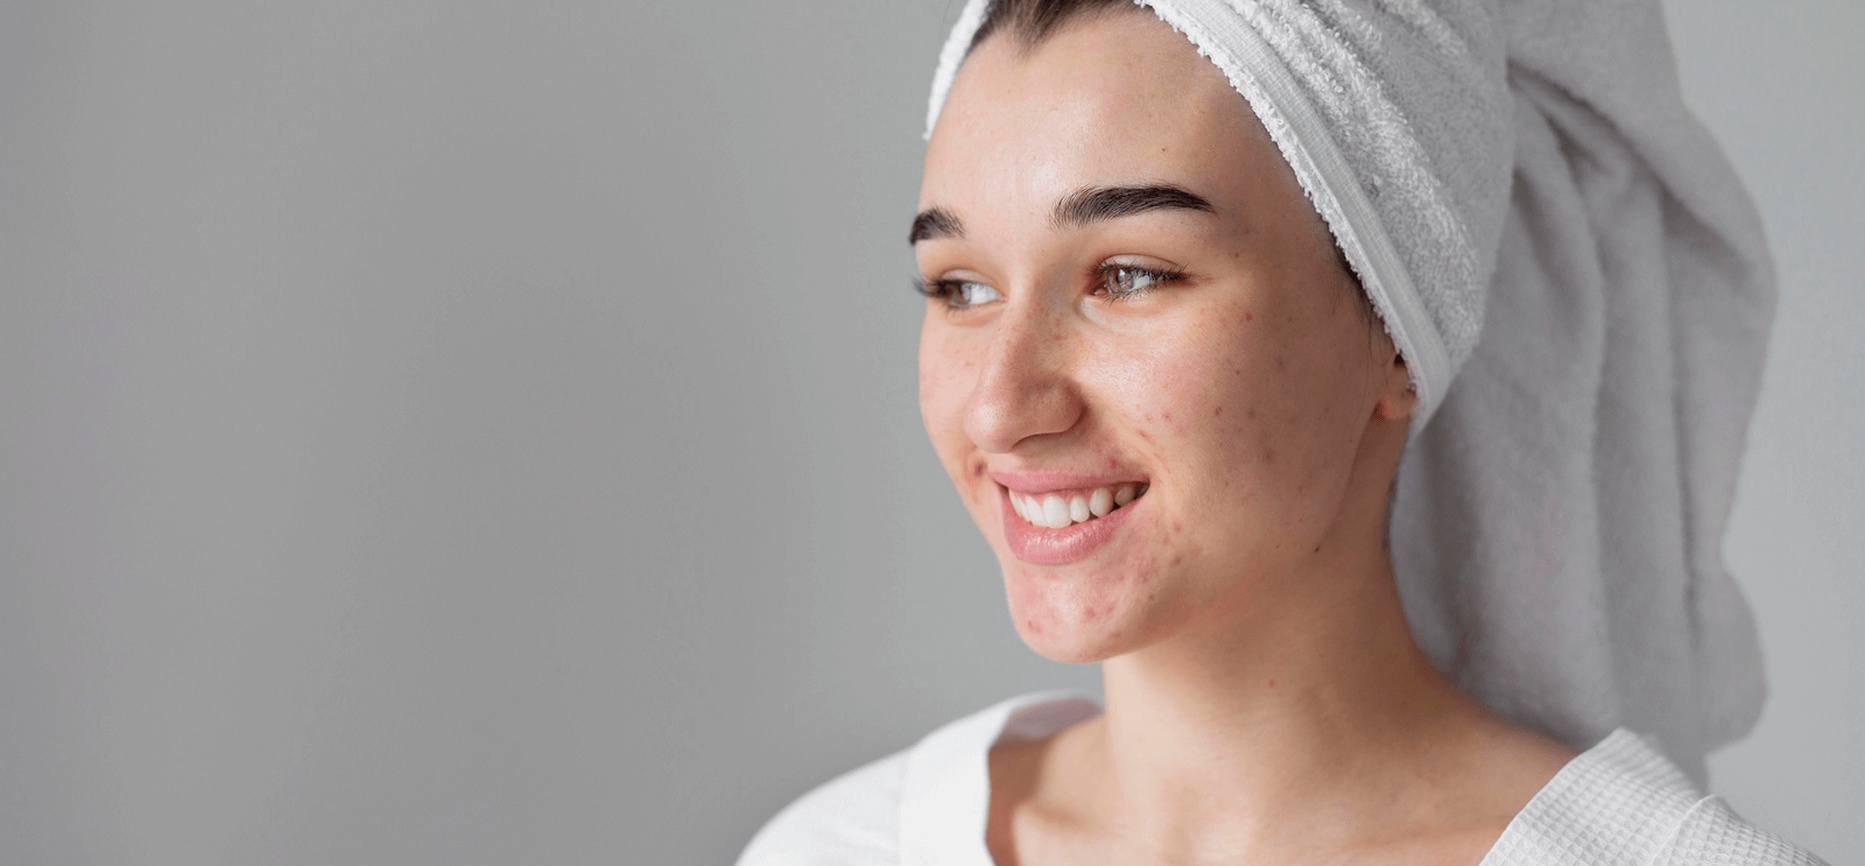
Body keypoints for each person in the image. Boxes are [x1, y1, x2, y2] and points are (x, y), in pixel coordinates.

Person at [739, 1, 1828, 864]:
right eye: (959, 286)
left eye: (1129, 274)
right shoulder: (838, 849)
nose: (999, 406)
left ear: (1395, 326)